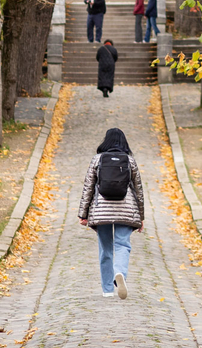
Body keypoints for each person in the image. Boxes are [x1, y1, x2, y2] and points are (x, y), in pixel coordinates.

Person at [78, 128, 144, 299]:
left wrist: (83, 214)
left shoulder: (97, 160)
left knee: (105, 249)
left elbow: (88, 188)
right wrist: (141, 218)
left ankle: (107, 290)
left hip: (101, 211)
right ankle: (120, 272)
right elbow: (139, 191)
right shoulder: (130, 161)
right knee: (123, 244)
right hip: (126, 209)